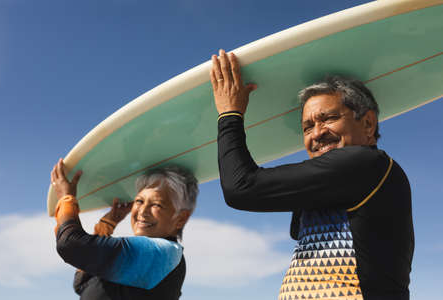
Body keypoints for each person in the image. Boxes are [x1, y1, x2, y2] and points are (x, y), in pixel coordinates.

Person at [210, 49, 414, 300]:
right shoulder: (337, 187)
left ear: (368, 124)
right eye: (307, 128)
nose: (316, 133)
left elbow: (241, 188)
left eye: (328, 118)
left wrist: (230, 114)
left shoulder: (367, 164)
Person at [51, 159, 198, 300]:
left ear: (181, 218)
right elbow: (82, 283)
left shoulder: (162, 254)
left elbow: (70, 245)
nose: (142, 211)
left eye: (156, 205)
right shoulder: (149, 259)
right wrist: (107, 224)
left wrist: (66, 198)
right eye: (139, 201)